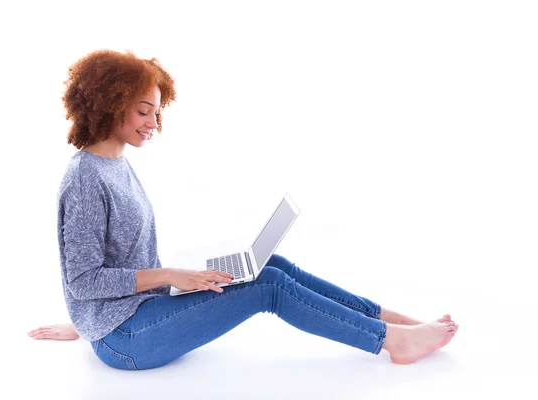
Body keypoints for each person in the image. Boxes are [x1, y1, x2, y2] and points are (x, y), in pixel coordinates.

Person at [28, 49, 458, 370]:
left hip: (127, 316)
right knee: (266, 287)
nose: (153, 124)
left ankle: (386, 319)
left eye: (156, 112)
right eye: (144, 111)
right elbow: (84, 281)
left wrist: (89, 321)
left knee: (271, 263)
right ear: (108, 103)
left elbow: (97, 278)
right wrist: (105, 318)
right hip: (125, 339)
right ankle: (392, 342)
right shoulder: (86, 178)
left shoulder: (114, 164)